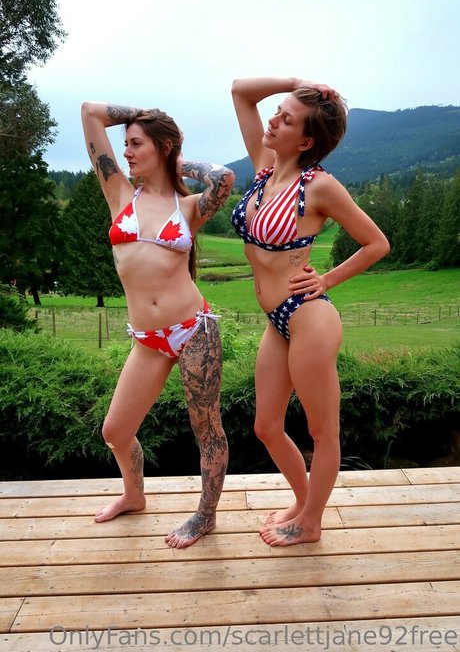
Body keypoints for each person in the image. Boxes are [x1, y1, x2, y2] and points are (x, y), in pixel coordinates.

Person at [231, 77, 390, 546]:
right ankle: (303, 504)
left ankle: (312, 522)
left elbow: (376, 243)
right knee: (266, 426)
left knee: (322, 431)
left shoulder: (320, 186)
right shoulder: (265, 167)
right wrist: (298, 84)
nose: (273, 120)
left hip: (309, 318)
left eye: (286, 119)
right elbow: (241, 92)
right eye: (278, 111)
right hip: (276, 321)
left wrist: (327, 280)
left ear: (305, 142)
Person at [81, 101, 235, 548]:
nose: (126, 152)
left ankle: (205, 517)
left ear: (163, 148)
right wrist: (145, 113)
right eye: (125, 143)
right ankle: (134, 495)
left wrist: (174, 159)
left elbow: (224, 177)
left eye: (136, 144)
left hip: (193, 330)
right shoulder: (119, 193)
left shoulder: (188, 207)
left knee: (206, 428)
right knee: (115, 431)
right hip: (147, 338)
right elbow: (90, 113)